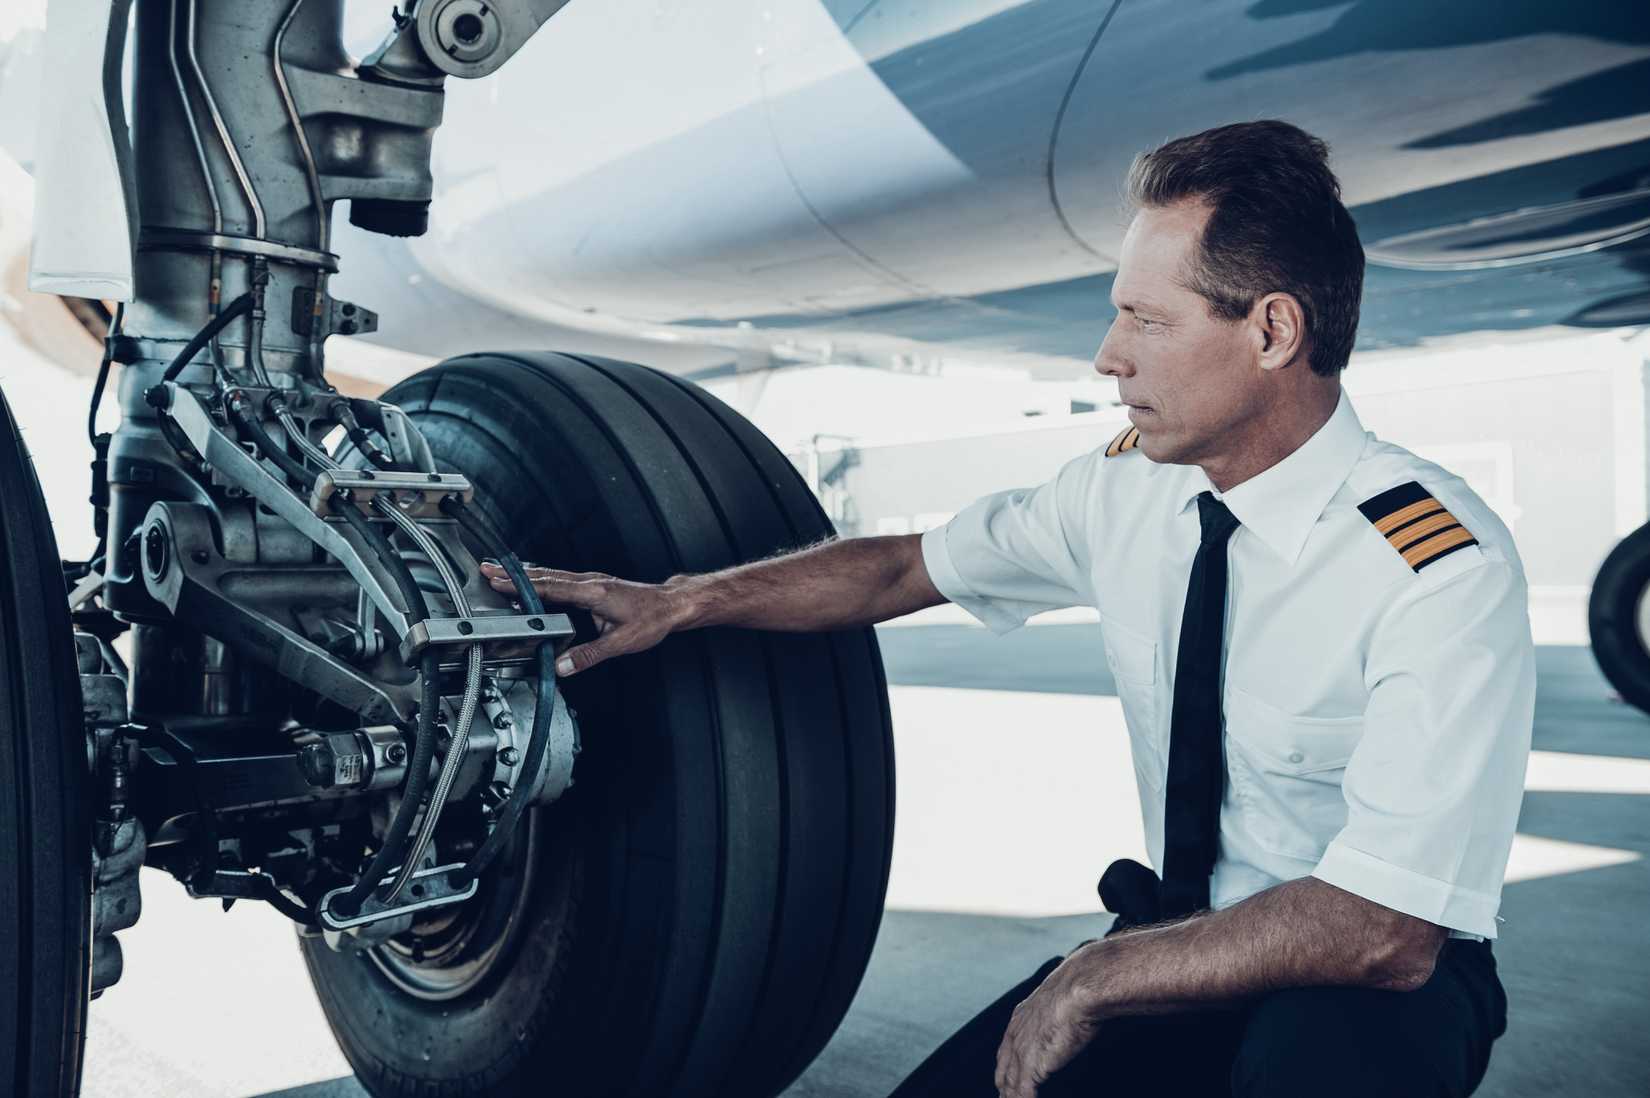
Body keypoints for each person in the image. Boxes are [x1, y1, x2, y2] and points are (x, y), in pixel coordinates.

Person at [480, 120, 1533, 1098]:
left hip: (1376, 986)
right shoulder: (1129, 490)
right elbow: (902, 569)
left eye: (1145, 319)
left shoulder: (1435, 566)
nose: (1107, 357)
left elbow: (1384, 927)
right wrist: (685, 602)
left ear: (1271, 330)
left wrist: (1090, 977)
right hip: (1175, 942)